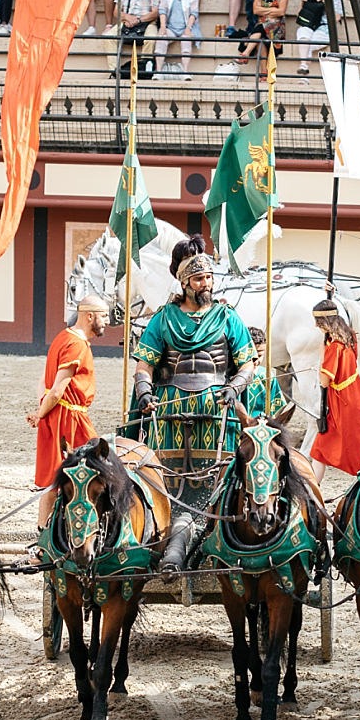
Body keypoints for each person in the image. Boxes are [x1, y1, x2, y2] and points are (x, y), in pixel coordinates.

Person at [125, 235, 256, 569]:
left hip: (217, 408)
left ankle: (219, 529)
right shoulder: (163, 319)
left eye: (209, 277)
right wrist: (144, 393)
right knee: (163, 476)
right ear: (184, 282)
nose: (206, 283)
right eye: (199, 278)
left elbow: (247, 364)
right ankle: (163, 531)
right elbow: (144, 365)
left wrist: (236, 385)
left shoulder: (228, 318)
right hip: (169, 409)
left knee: (223, 473)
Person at [28, 294, 108, 528]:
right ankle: (47, 532)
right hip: (69, 419)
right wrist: (42, 413)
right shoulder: (76, 345)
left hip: (59, 415)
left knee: (58, 477)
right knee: (94, 470)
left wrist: (40, 412)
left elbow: (43, 381)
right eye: (103, 316)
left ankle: (48, 530)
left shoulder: (62, 337)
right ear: (89, 315)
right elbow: (56, 390)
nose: (107, 321)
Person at [309, 300, 360, 481]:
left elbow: (325, 381)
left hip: (343, 402)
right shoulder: (350, 337)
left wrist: (322, 355)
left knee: (356, 447)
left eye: (318, 323)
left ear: (325, 323)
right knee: (321, 448)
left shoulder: (334, 347)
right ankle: (313, 486)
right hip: (355, 394)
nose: (316, 326)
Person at [236, 0, 289, 67]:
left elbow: (281, 12)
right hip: (263, 25)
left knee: (260, 29)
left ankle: (245, 53)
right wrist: (273, 9)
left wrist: (264, 10)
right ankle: (264, 73)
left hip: (277, 27)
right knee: (261, 37)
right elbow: (255, 11)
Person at [155, 0, 201, 78]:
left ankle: (185, 72)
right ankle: (159, 71)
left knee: (186, 39)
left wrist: (188, 28)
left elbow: (194, 12)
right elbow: (162, 9)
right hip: (170, 27)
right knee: (161, 39)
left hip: (187, 26)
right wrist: (162, 26)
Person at [295, 0, 343, 76]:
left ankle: (304, 71)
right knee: (302, 33)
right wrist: (302, 2)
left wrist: (326, 1)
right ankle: (303, 66)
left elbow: (337, 17)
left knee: (309, 44)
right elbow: (300, 16)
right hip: (311, 24)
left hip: (326, 28)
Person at [117, 0, 161, 72]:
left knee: (151, 39)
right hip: (127, 21)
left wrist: (138, 20)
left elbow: (155, 12)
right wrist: (127, 17)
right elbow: (115, 11)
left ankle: (144, 69)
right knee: (109, 37)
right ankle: (114, 71)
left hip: (147, 22)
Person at [243, 327, 286, 418]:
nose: (256, 360)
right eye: (251, 355)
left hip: (259, 427)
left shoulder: (267, 376)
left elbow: (273, 411)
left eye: (259, 355)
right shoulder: (230, 375)